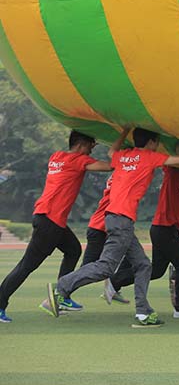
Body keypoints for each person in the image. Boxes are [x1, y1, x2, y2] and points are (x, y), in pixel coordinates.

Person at [46, 127, 179, 328]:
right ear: (151, 143)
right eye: (156, 142)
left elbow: (110, 153)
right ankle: (61, 288)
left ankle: (143, 313)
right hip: (122, 220)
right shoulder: (150, 156)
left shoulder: (123, 156)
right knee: (106, 266)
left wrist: (123, 132)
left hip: (116, 218)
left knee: (143, 265)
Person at [0, 131, 113, 323]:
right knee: (27, 266)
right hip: (49, 222)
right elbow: (110, 166)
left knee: (73, 250)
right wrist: (123, 153)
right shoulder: (76, 161)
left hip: (49, 218)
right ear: (80, 145)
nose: (91, 149)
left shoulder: (56, 157)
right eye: (90, 145)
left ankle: (62, 296)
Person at [108, 166, 179, 318]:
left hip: (169, 230)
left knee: (156, 271)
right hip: (163, 228)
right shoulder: (176, 172)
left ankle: (114, 282)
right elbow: (167, 160)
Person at [83, 175, 133, 305]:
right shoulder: (120, 179)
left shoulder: (117, 176)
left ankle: (114, 287)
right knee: (88, 269)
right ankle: (60, 291)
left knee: (133, 256)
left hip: (109, 227)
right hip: (100, 228)